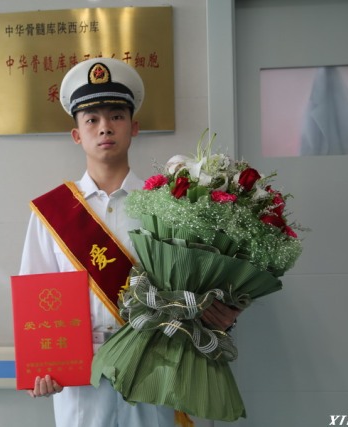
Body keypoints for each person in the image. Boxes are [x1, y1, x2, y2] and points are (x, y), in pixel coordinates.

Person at [18, 57, 240, 427]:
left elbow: (196, 284)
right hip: (82, 382)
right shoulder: (51, 213)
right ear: (77, 135)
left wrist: (221, 311)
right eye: (91, 120)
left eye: (116, 116)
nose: (105, 127)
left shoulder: (166, 206)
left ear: (134, 127)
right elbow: (36, 299)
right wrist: (39, 367)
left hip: (155, 369)